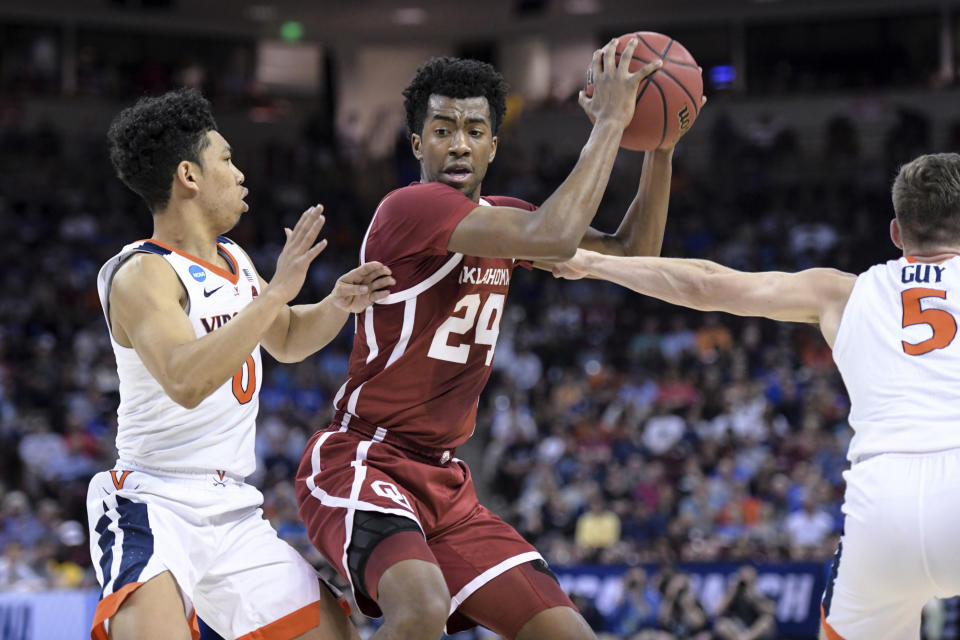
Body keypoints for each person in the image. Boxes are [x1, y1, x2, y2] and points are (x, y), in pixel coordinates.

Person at [296, 40, 702, 640]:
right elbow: (555, 233)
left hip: (446, 482)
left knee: (569, 634)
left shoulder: (503, 217)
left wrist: (658, 148)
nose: (458, 143)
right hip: (364, 458)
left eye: (474, 129)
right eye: (442, 129)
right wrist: (614, 121)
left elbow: (633, 255)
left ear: (493, 144)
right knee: (421, 608)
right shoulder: (410, 208)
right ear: (417, 145)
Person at [551, 152, 960, 640]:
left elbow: (708, 284)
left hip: (881, 508)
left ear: (895, 233)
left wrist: (593, 262)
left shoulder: (841, 293)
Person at [87, 88, 394, 640]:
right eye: (226, 159)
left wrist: (336, 304)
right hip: (154, 500)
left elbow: (288, 338)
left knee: (336, 635)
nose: (240, 172)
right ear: (188, 175)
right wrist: (275, 294)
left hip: (232, 507)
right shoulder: (142, 274)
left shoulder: (235, 259)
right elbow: (185, 380)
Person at [712, 566, 776, 640]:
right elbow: (717, 612)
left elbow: (771, 611)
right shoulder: (733, 593)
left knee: (766, 622)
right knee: (721, 625)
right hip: (736, 626)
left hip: (754, 627)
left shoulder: (761, 591)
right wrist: (732, 591)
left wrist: (752, 593)